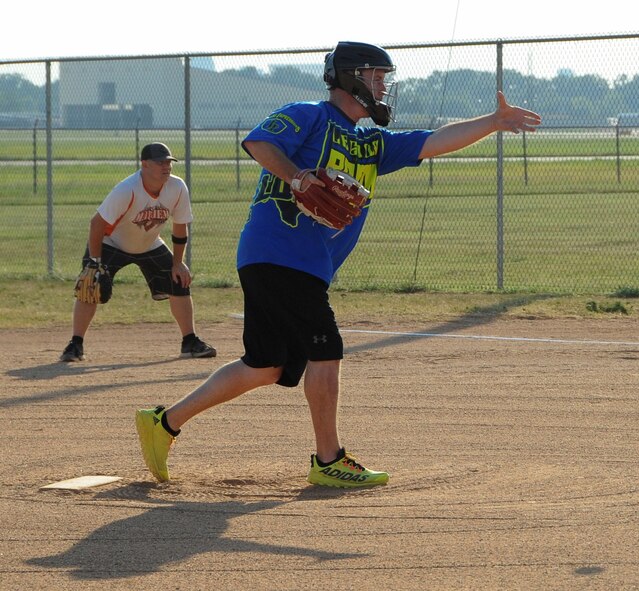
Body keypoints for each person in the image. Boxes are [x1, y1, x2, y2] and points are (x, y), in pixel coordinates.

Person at [135, 41, 541, 487]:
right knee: (325, 347)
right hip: (279, 251)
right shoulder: (309, 115)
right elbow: (258, 142)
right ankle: (329, 460)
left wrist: (494, 122)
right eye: (378, 76)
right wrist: (299, 176)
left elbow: (433, 141)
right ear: (352, 77)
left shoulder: (372, 143)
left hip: (297, 263)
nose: (384, 86)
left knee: (266, 364)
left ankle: (164, 423)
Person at [59, 142, 216, 362]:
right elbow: (96, 224)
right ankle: (75, 344)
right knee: (90, 285)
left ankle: (189, 341)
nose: (166, 166)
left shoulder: (177, 188)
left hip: (149, 243)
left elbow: (181, 227)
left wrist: (178, 263)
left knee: (179, 279)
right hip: (111, 243)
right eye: (160, 162)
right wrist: (94, 263)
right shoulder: (127, 189)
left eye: (168, 162)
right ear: (144, 165)